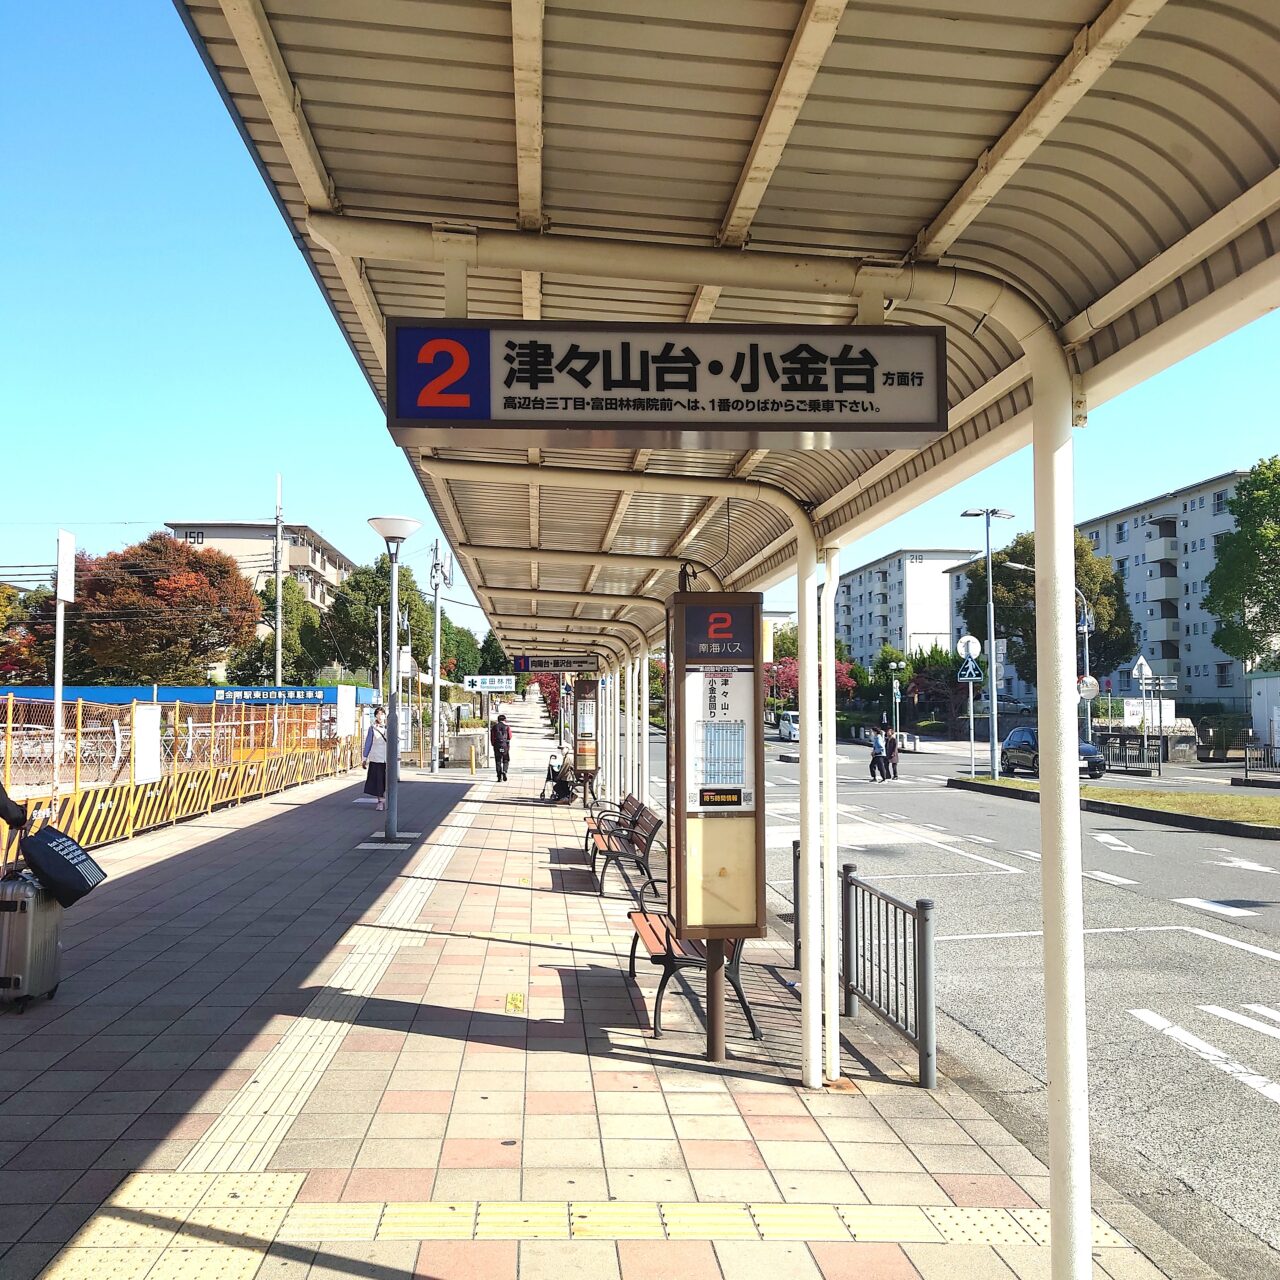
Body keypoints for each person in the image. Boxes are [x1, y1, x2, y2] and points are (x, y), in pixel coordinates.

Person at [363, 707, 388, 811]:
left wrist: (397, 755)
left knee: (387, 780)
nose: (380, 716)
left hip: (388, 758)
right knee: (378, 781)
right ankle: (380, 801)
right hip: (376, 757)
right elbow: (368, 743)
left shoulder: (390, 727)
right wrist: (364, 758)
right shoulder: (372, 728)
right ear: (375, 716)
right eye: (378, 714)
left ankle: (387, 800)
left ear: (385, 715)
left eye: (382, 714)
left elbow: (396, 742)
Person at [490, 713, 512, 782]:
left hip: (497, 745)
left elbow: (492, 737)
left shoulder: (494, 727)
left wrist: (493, 744)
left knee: (498, 761)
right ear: (505, 720)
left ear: (498, 720)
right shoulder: (507, 727)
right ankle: (504, 771)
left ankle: (499, 777)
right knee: (506, 760)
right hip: (505, 745)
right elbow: (510, 737)